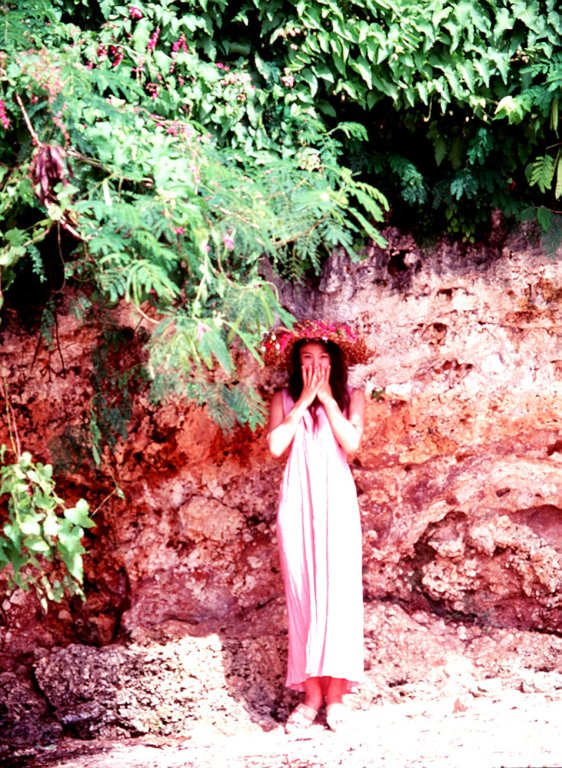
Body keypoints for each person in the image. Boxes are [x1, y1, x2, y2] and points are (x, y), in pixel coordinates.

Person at [262, 319, 372, 733]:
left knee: (339, 597)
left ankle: (337, 698)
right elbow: (276, 446)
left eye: (323, 358)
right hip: (298, 503)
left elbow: (352, 444)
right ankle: (310, 697)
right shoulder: (283, 398)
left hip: (337, 504)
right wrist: (305, 400)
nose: (314, 365)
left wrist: (325, 398)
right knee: (303, 596)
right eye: (306, 358)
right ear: (297, 363)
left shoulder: (352, 397)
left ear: (334, 362)